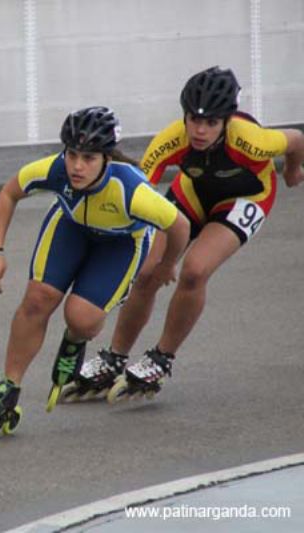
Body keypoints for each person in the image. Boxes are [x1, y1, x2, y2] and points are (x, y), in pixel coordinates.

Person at [0, 106, 190, 442]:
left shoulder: (132, 191)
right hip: (71, 227)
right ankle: (8, 388)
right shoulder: (54, 169)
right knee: (37, 300)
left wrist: (168, 263)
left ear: (106, 158)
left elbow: (179, 225)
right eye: (73, 155)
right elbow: (9, 193)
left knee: (80, 318)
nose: (78, 166)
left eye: (89, 158)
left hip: (121, 242)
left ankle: (76, 339)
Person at [98, 66, 304, 401]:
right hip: (193, 192)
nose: (200, 130)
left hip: (245, 197)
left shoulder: (250, 140)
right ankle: (115, 356)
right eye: (193, 119)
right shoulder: (171, 140)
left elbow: (296, 139)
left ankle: (161, 358)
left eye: (210, 123)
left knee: (194, 271)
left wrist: (292, 169)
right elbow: (140, 190)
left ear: (227, 121)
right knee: (147, 271)